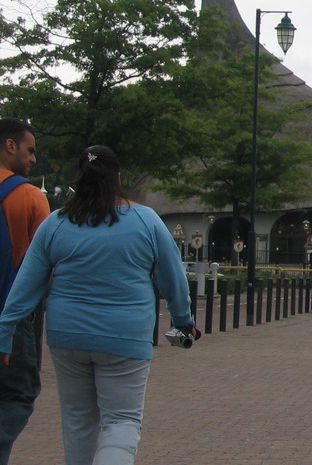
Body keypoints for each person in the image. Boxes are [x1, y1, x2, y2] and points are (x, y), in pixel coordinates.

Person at [0, 145, 195, 465]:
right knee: (121, 421)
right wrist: (182, 319)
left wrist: (5, 332)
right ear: (118, 177)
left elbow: (25, 286)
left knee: (78, 423)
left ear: (80, 178)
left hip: (67, 336)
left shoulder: (57, 223)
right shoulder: (146, 220)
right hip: (125, 337)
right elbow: (172, 278)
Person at [0, 119, 49, 464]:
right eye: (30, 150)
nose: (33, 159)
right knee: (19, 392)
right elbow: (46, 261)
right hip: (11, 314)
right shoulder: (31, 196)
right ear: (10, 146)